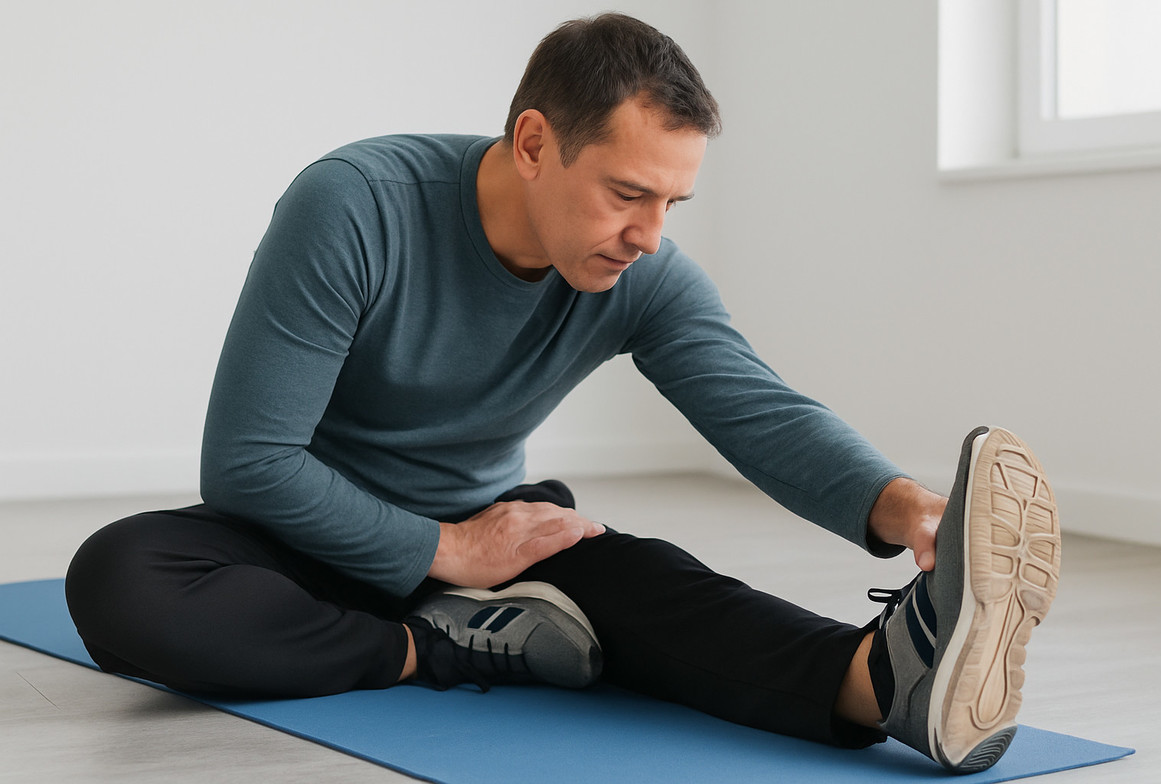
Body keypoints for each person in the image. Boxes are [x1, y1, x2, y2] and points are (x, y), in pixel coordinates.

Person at [64, 12, 1060, 774]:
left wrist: (906, 507)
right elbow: (249, 462)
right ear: (534, 143)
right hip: (303, 531)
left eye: (672, 202)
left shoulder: (641, 275)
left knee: (639, 581)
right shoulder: (353, 206)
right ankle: (442, 650)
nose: (650, 235)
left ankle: (886, 680)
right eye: (628, 193)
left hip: (489, 540)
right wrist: (446, 555)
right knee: (119, 578)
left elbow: (757, 408)